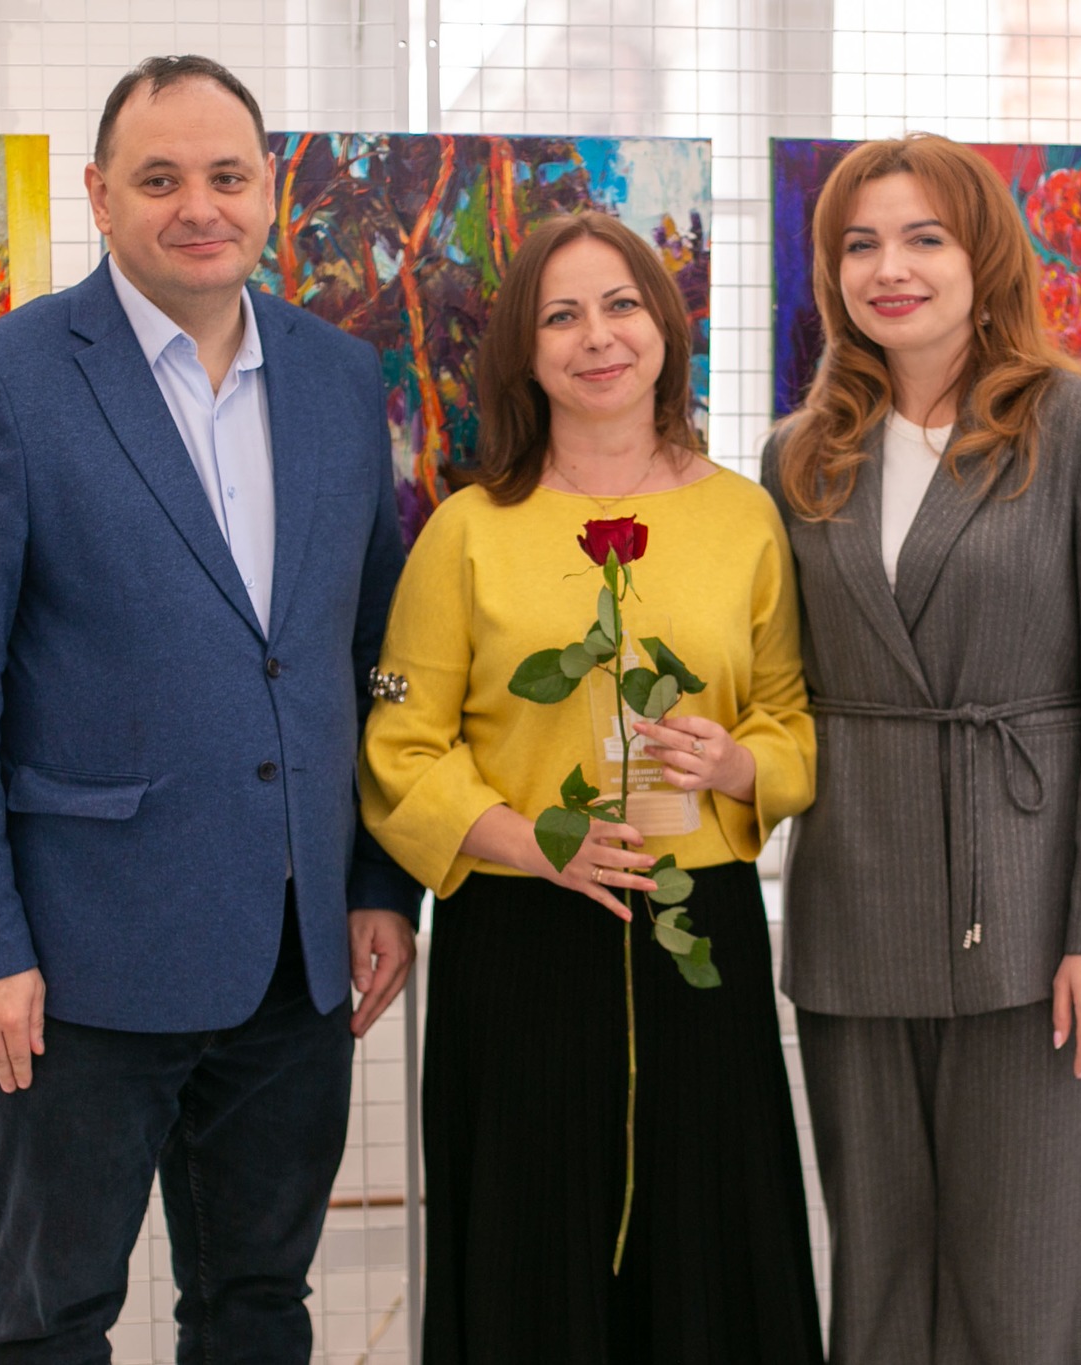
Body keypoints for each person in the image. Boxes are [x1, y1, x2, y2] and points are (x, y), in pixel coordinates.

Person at [0, 55, 420, 1363]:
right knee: (53, 1319)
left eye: (226, 176)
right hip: (78, 969)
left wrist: (376, 884)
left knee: (258, 1306)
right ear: (100, 196)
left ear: (268, 190)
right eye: (160, 178)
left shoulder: (341, 380)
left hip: (295, 959)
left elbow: (367, 649)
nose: (199, 206)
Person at [361, 211, 824, 1365]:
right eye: (559, 316)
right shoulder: (467, 532)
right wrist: (529, 842)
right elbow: (401, 747)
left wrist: (737, 765)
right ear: (524, 353)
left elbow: (790, 720)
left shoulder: (743, 518)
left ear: (664, 327)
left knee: (707, 1247)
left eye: (620, 305)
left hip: (697, 936)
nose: (596, 336)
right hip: (516, 943)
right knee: (528, 1252)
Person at [763, 133, 1081, 1364]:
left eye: (922, 238)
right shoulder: (800, 453)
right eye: (859, 245)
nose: (888, 269)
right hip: (854, 908)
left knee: (1017, 1282)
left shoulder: (1079, 425)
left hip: (1033, 921)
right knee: (878, 1281)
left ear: (982, 255)